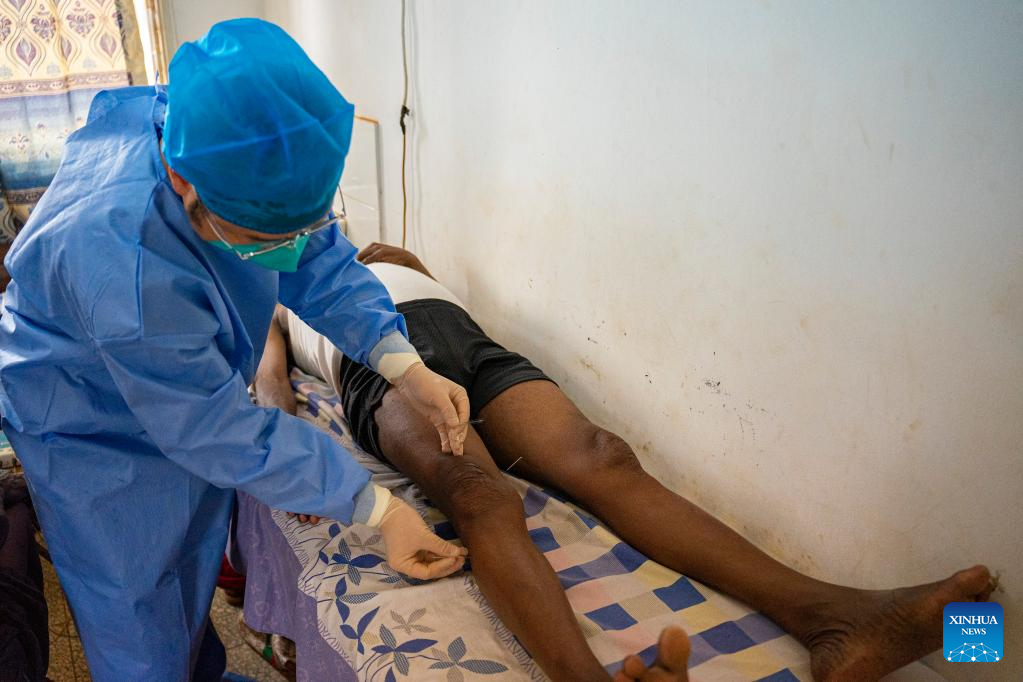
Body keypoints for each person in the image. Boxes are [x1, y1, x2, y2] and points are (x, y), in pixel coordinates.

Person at [256, 242, 996, 682]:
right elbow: (269, 377)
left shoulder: (354, 253)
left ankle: (833, 619)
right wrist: (286, 446)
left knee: (601, 455)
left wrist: (393, 258)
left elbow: (421, 278)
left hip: (462, 336)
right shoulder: (278, 286)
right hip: (371, 367)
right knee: (479, 493)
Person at [0, 20, 469, 681]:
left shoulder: (232, 135)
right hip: (84, 418)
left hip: (170, 376)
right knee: (136, 596)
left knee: (192, 555)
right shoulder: (126, 262)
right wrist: (376, 508)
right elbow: (213, 428)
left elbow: (315, 254)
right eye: (260, 238)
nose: (288, 250)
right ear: (180, 179)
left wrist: (402, 363)